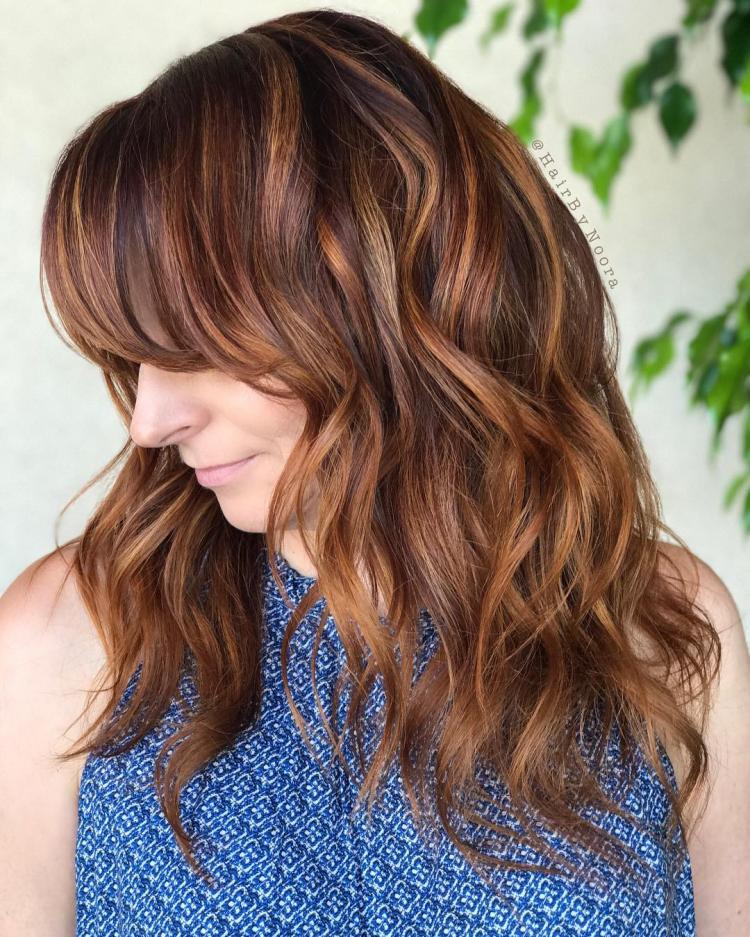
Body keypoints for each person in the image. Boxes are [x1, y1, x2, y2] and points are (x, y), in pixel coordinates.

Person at [1, 8, 748, 936]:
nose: (150, 421)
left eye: (197, 346)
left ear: (385, 306)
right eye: (134, 355)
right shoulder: (69, 644)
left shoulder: (658, 628)